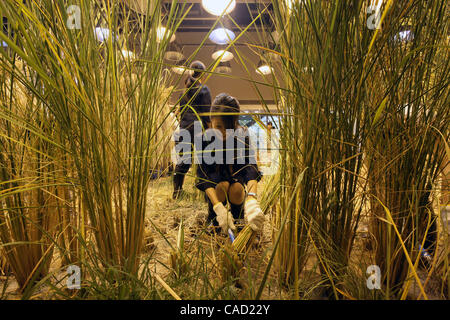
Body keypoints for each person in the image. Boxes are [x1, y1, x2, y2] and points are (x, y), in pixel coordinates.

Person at [195, 93, 265, 235]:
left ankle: (238, 218)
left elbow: (250, 167)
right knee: (222, 186)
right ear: (211, 119)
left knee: (237, 188)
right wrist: (218, 208)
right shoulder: (204, 140)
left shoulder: (241, 136)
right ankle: (214, 220)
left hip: (235, 181)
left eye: (230, 127)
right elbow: (203, 177)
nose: (224, 133)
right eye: (219, 126)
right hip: (216, 186)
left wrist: (251, 200)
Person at [173, 61, 212, 199]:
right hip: (199, 129)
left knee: (183, 161)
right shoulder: (204, 90)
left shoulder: (182, 93)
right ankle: (204, 192)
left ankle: (177, 192)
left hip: (184, 128)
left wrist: (184, 124)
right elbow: (206, 114)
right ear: (204, 74)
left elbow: (179, 114)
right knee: (204, 161)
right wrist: (210, 130)